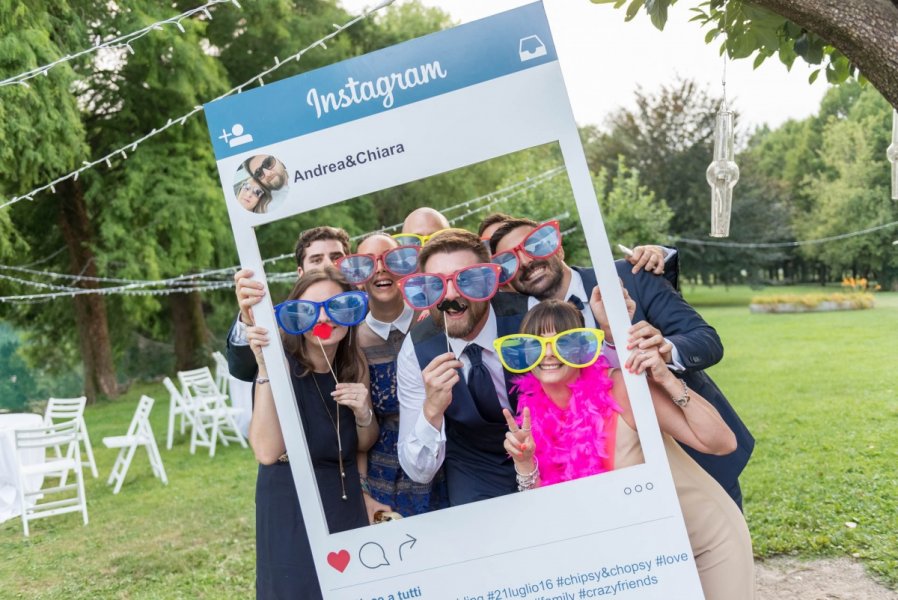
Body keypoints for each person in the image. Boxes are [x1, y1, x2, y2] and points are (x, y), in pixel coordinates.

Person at [499, 300, 754, 600]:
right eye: (535, 344)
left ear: (584, 348)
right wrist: (525, 463)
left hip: (703, 541)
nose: (550, 353)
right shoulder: (533, 416)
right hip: (645, 558)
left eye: (564, 342)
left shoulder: (620, 389)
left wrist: (667, 380)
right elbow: (552, 515)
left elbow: (722, 442)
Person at [490, 217, 753, 508]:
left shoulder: (629, 275)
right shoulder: (516, 328)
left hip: (693, 451)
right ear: (507, 280)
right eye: (509, 261)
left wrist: (664, 350)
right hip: (603, 485)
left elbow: (706, 340)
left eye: (535, 245)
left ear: (559, 247)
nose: (526, 261)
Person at [246, 268, 376, 599]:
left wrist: (363, 413)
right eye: (310, 308)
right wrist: (265, 370)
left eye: (336, 306)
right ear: (295, 316)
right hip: (291, 501)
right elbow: (266, 451)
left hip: (341, 497)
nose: (325, 317)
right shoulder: (280, 363)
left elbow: (362, 442)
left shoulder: (354, 363)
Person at [396, 229, 530, 506]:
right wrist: (432, 410)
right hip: (474, 469)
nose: (451, 294)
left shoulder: (530, 315)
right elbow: (417, 472)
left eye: (466, 280)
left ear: (488, 282)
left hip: (548, 449)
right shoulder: (415, 349)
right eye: (436, 285)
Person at [338, 233, 448, 518]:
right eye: (368, 264)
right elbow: (362, 428)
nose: (381, 269)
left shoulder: (434, 321)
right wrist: (363, 491)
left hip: (445, 456)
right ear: (357, 277)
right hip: (386, 473)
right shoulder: (353, 340)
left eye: (391, 260)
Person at [227, 226, 352, 383]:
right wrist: (247, 320)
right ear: (300, 273)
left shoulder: (366, 307)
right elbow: (243, 371)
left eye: (336, 257)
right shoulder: (285, 321)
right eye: (316, 260)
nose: (328, 265)